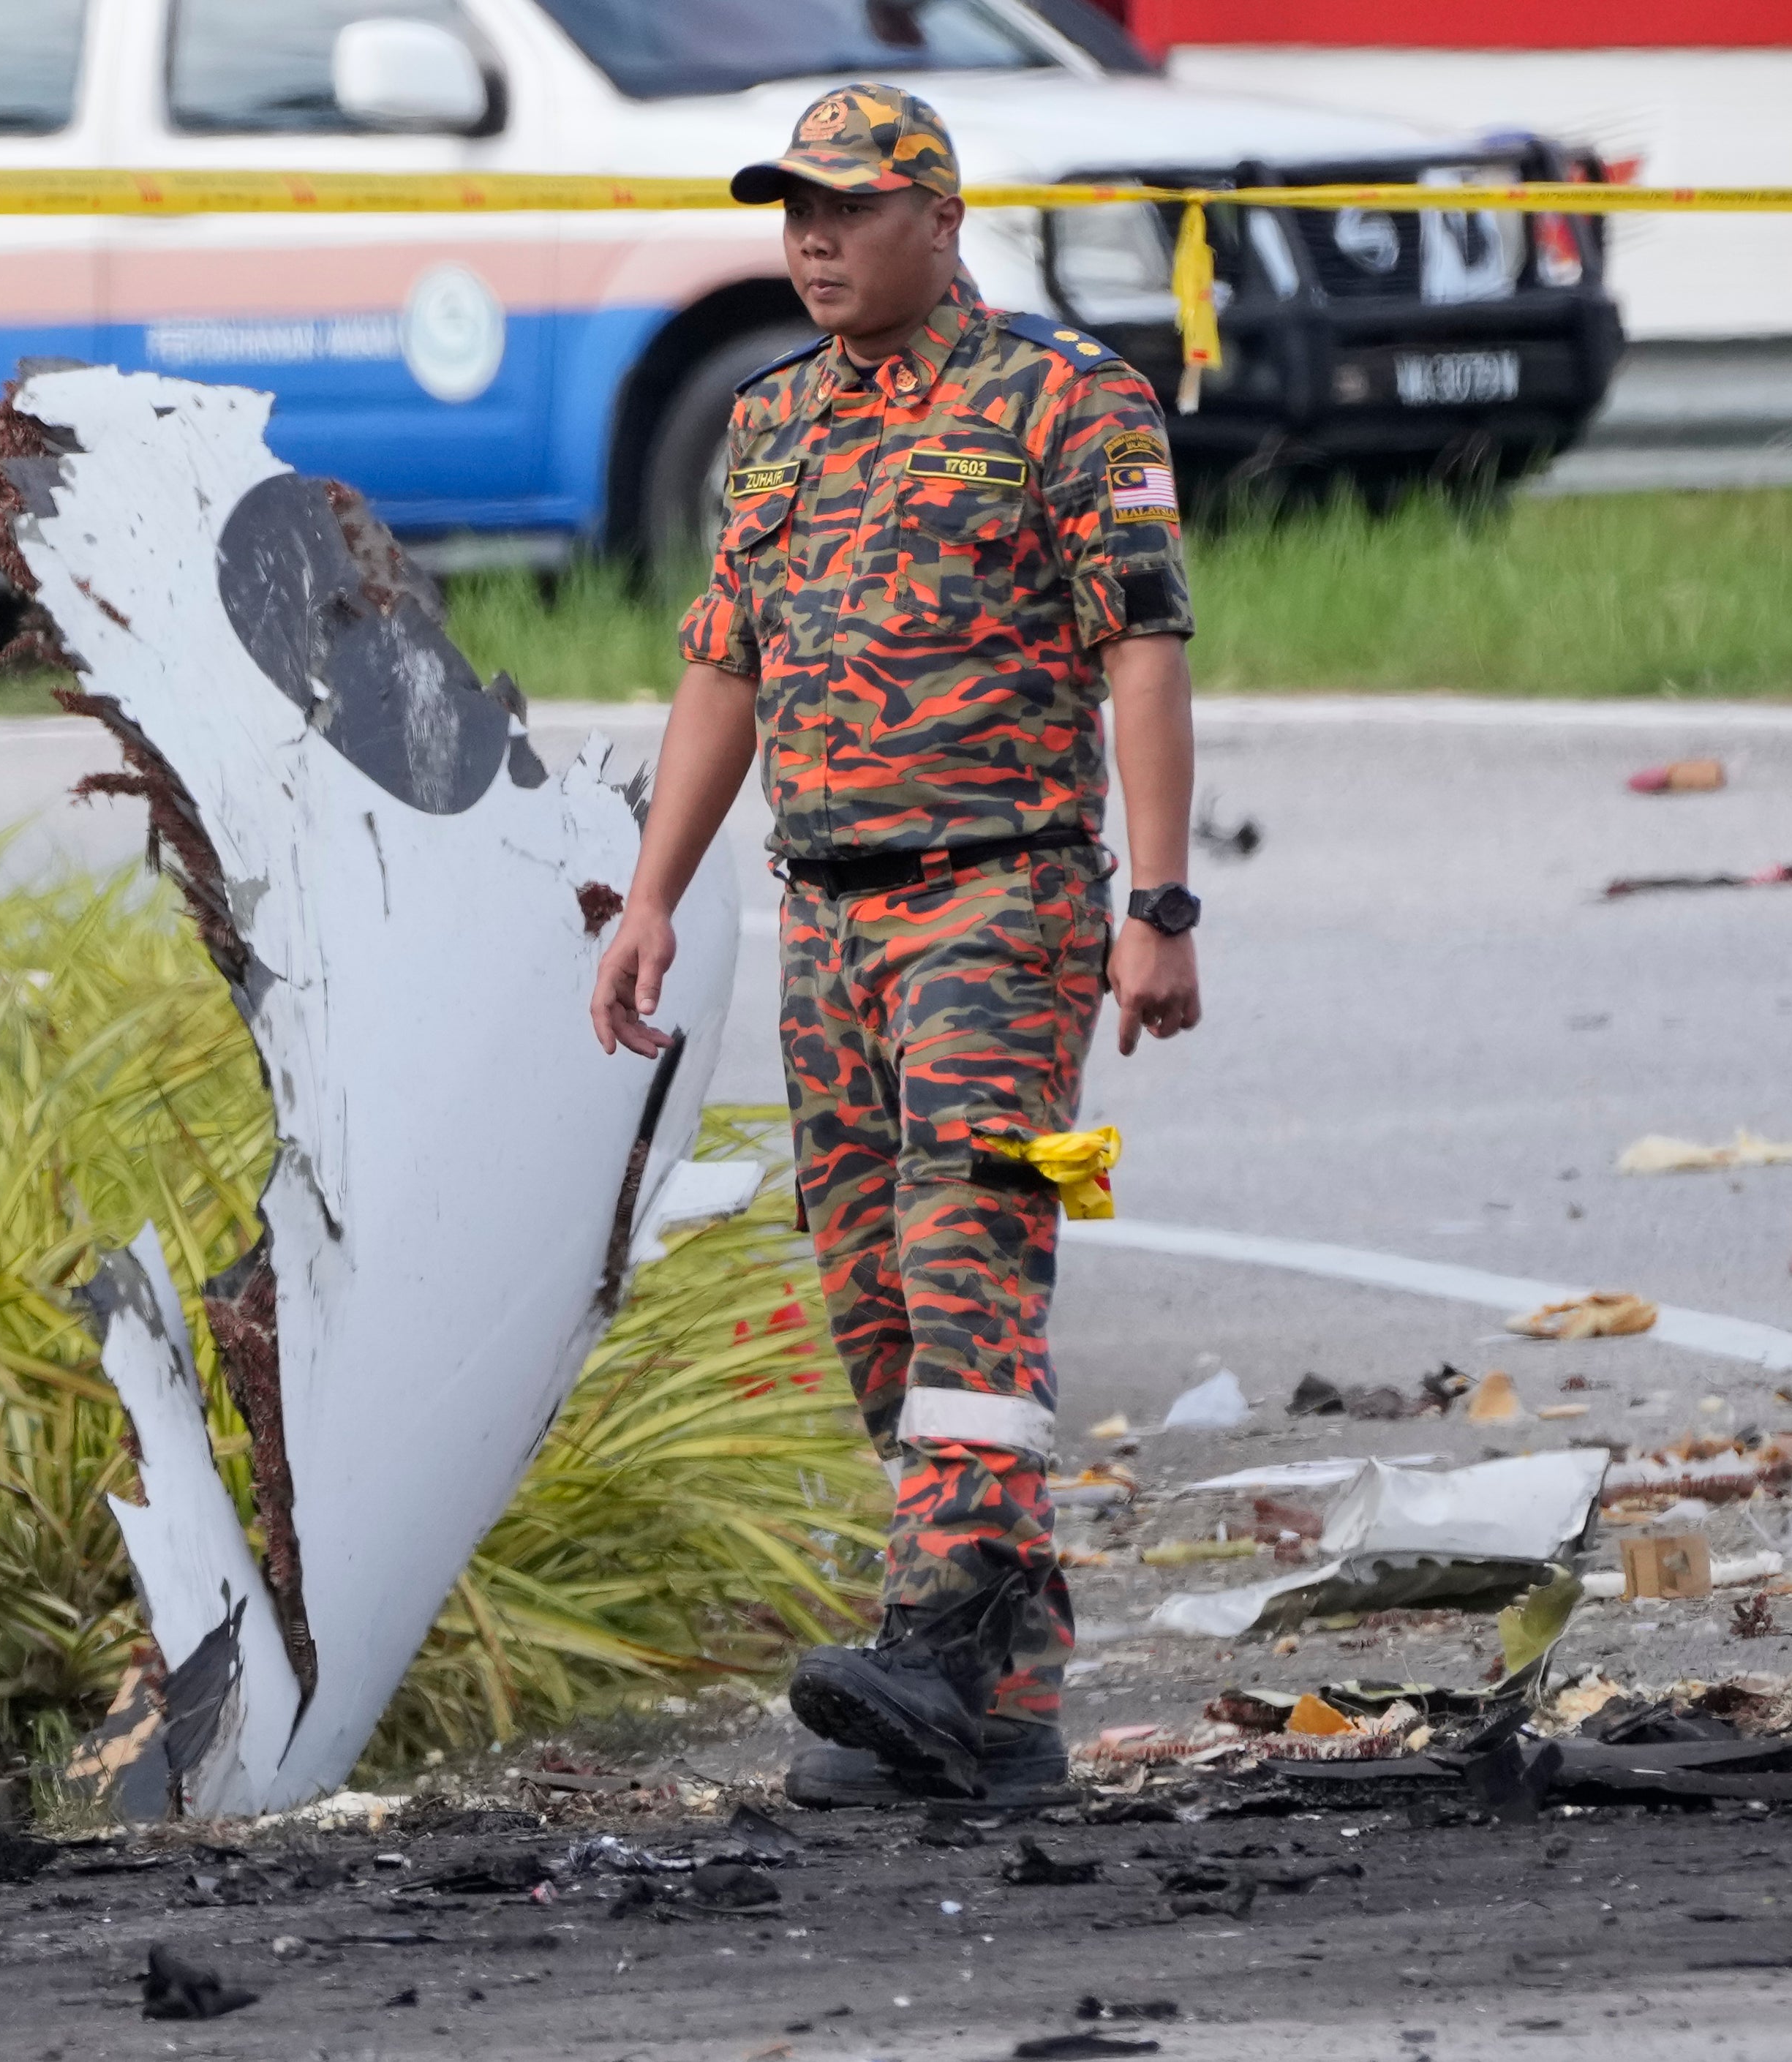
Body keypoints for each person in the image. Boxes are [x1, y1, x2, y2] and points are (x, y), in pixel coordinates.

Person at [587, 83, 1203, 1807]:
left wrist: (1159, 903)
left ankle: (935, 1631)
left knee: (974, 1251)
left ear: (940, 220)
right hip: (829, 908)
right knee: (867, 1289)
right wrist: (653, 895)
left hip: (1006, 899)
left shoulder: (1069, 402)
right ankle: (998, 1705)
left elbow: (1141, 651)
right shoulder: (774, 423)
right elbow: (726, 662)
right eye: (793, 209)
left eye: (848, 210)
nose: (812, 240)